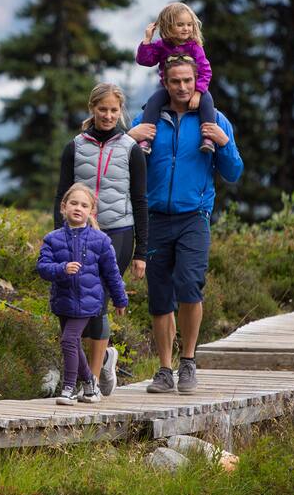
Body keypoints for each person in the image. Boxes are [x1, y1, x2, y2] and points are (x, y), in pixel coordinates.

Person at [128, 55, 242, 395]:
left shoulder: (215, 120)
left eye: (187, 81)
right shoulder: (147, 120)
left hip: (194, 215)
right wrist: (129, 138)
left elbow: (234, 172)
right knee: (160, 295)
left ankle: (188, 361)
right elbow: (119, 162)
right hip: (154, 216)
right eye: (175, 81)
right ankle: (164, 369)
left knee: (190, 285)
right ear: (165, 82)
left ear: (197, 82)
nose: (181, 87)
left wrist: (224, 143)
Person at [52, 83, 148, 397]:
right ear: (92, 109)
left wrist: (141, 250)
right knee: (74, 304)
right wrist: (58, 240)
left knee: (97, 303)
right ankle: (102, 360)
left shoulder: (131, 149)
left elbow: (140, 200)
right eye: (102, 109)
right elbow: (60, 197)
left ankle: (89, 382)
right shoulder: (75, 147)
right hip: (78, 236)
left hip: (117, 233)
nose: (107, 116)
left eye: (113, 110)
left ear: (121, 113)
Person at [37, 183, 129, 406]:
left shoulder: (101, 241)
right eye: (74, 203)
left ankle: (68, 387)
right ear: (63, 207)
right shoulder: (53, 239)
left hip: (88, 302)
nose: (78, 208)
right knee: (73, 345)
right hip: (63, 301)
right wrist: (61, 269)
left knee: (69, 340)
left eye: (84, 205)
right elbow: (42, 267)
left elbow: (112, 274)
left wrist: (120, 299)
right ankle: (90, 385)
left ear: (91, 212)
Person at [136, 2, 217, 153]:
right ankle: (145, 140)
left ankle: (208, 139)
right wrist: (147, 40)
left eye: (189, 24)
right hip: (169, 88)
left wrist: (198, 93)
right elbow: (145, 60)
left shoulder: (195, 47)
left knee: (207, 101)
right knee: (153, 102)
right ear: (168, 26)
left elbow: (205, 71)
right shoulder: (161, 46)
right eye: (180, 25)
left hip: (195, 88)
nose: (186, 28)